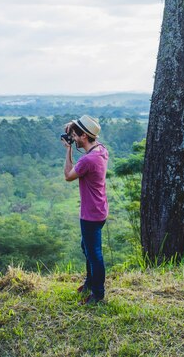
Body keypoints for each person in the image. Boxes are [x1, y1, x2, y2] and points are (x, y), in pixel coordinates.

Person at [62, 114, 109, 305]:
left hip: (90, 214)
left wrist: (68, 151)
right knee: (87, 248)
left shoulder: (87, 161)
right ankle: (90, 283)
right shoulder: (101, 150)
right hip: (100, 209)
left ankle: (98, 293)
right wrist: (73, 126)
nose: (72, 138)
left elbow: (68, 176)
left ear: (83, 136)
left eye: (74, 135)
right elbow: (86, 137)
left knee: (94, 253)